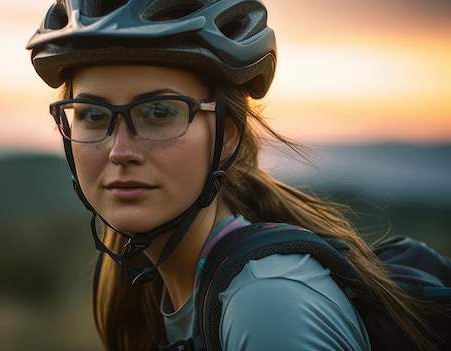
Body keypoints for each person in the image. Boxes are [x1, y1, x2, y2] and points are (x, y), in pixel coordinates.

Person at [26, 0, 436, 350]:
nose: (120, 151)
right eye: (93, 115)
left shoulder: (268, 306)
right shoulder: (141, 287)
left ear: (226, 136)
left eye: (159, 112)